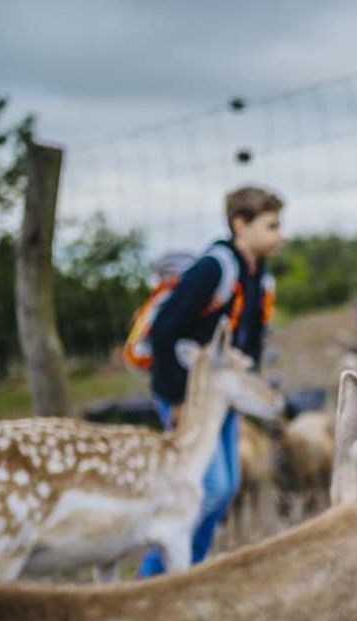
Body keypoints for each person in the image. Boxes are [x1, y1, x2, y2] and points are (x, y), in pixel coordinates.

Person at [137, 186, 284, 576]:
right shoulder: (215, 269)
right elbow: (166, 331)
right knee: (210, 487)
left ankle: (190, 571)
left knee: (227, 486)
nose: (279, 235)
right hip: (189, 395)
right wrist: (176, 398)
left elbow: (248, 340)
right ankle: (152, 579)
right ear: (240, 224)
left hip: (221, 396)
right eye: (271, 225)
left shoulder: (257, 275)